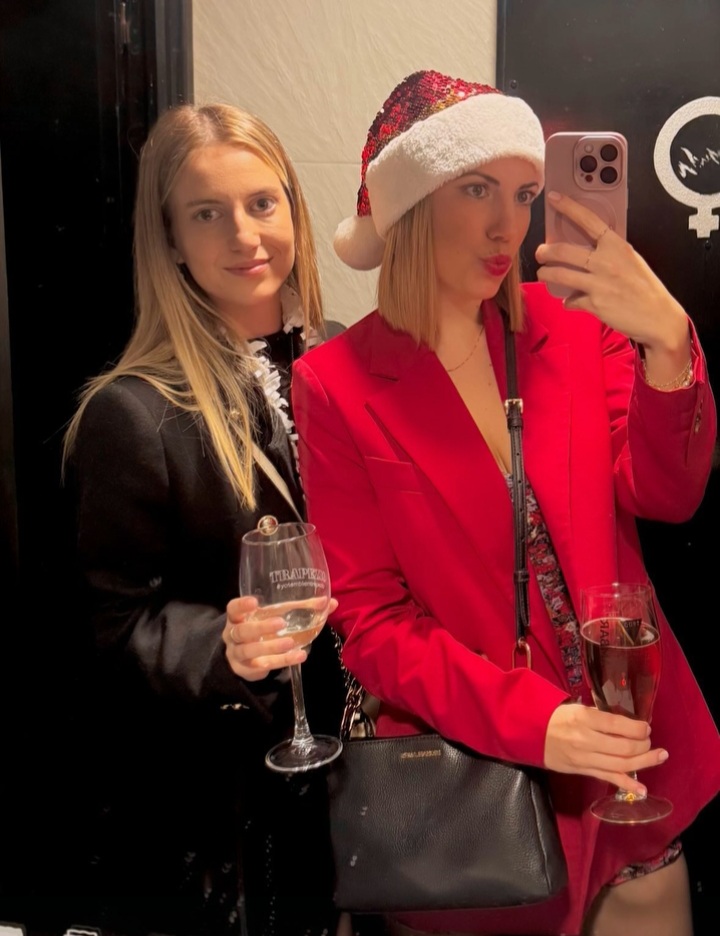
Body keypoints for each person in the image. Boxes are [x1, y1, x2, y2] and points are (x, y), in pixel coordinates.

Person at [291, 70, 720, 936]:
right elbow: (372, 625)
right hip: (477, 785)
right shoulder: (336, 383)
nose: (508, 227)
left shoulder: (572, 323)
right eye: (476, 189)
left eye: (524, 195)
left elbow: (665, 494)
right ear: (410, 204)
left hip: (629, 755)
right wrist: (537, 723)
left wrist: (669, 347)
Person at [62, 102, 346, 936]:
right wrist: (221, 644)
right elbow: (111, 627)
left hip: (359, 761)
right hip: (233, 810)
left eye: (261, 203)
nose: (244, 235)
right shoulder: (133, 412)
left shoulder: (344, 356)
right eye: (207, 213)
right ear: (171, 240)